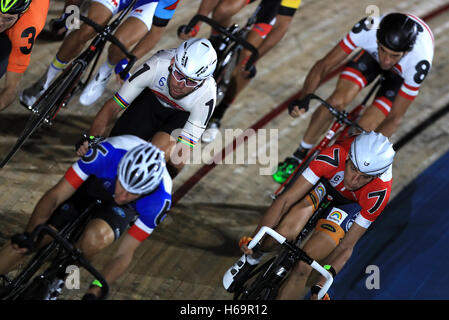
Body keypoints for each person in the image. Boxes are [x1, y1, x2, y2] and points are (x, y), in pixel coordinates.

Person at [223, 131, 395, 299]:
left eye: (364, 177)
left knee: (305, 265)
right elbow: (285, 200)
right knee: (282, 234)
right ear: (348, 157)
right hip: (325, 183)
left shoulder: (378, 194)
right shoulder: (334, 155)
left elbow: (346, 247)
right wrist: (255, 240)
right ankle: (253, 257)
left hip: (349, 205)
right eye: (352, 169)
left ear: (376, 176)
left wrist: (321, 283)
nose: (354, 180)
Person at [0, 135, 172, 300]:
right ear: (120, 168)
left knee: (95, 239)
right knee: (33, 240)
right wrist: (31, 234)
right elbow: (56, 196)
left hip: (122, 210)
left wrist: (95, 290)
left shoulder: (159, 200)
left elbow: (124, 252)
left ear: (146, 191)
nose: (121, 196)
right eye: (122, 184)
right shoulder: (107, 153)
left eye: (131, 193)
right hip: (97, 182)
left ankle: (60, 276)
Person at [273, 12, 434, 184]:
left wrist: (369, 153)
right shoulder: (368, 29)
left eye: (394, 55)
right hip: (370, 58)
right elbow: (324, 65)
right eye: (384, 51)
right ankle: (299, 155)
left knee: (366, 129)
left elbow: (394, 119)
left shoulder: (418, 61)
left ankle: (336, 167)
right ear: (377, 41)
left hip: (400, 76)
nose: (386, 61)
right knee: (335, 102)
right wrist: (303, 98)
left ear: (407, 51)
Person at [75, 38, 217, 178]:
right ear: (172, 63)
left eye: (191, 81)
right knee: (115, 150)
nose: (181, 84)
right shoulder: (157, 64)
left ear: (202, 82)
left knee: (156, 157)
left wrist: (160, 183)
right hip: (150, 102)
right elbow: (112, 107)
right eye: (178, 74)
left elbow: (181, 154)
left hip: (179, 117)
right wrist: (92, 140)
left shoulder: (207, 95)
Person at [178, 0, 302, 143]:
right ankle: (216, 42)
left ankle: (218, 113)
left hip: (272, 6)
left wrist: (253, 58)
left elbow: (282, 24)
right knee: (222, 11)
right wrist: (196, 23)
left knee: (248, 55)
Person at [20, 0, 181, 108]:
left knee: (120, 43)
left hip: (149, 2)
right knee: (86, 29)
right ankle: (46, 79)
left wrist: (130, 58)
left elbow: (155, 33)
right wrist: (69, 17)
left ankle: (104, 72)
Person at [0, 0, 49, 112]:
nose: (0, 23)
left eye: (8, 19)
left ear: (21, 15)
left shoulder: (23, 33)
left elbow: (11, 89)